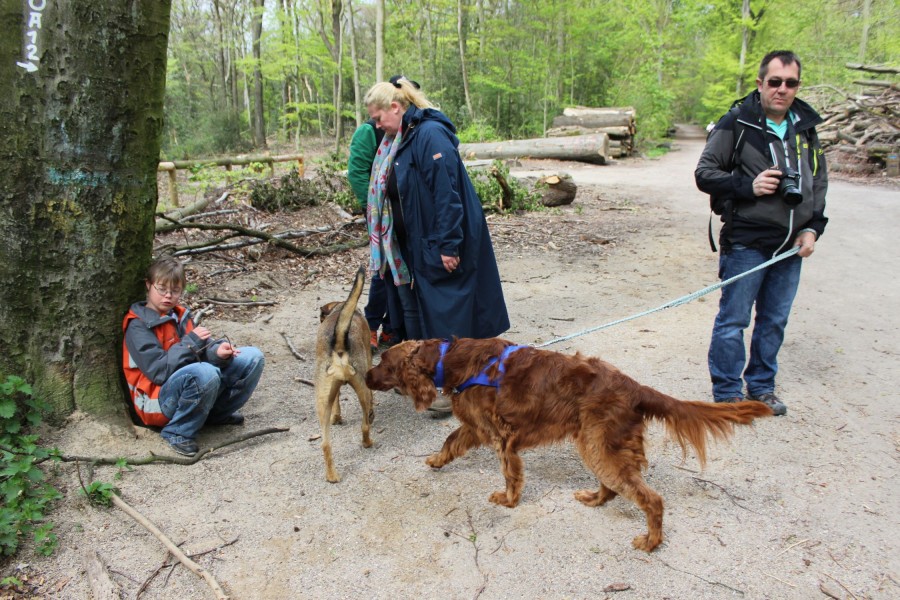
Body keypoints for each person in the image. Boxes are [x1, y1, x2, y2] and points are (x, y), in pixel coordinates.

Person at [695, 50, 828, 416]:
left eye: (791, 83)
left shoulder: (805, 127)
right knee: (734, 320)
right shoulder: (737, 122)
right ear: (760, 83)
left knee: (774, 320)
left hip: (790, 245)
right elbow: (704, 174)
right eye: (775, 82)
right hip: (747, 241)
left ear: (798, 86)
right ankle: (727, 393)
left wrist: (813, 229)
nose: (782, 89)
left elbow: (818, 182)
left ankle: (762, 388)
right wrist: (748, 186)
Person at [363, 77, 510, 343]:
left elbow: (447, 194)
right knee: (421, 308)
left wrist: (448, 245)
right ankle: (424, 361)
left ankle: (456, 361)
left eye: (378, 118)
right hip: (415, 242)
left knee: (449, 311)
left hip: (439, 240)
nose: (376, 125)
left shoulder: (430, 135)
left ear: (395, 107)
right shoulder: (400, 139)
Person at [122, 256, 265, 455]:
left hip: (186, 384)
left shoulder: (179, 315)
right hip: (154, 401)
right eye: (162, 289)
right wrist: (191, 342)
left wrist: (218, 352)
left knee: (252, 357)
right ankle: (177, 432)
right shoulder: (137, 325)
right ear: (148, 285)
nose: (168, 296)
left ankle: (216, 415)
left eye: (175, 291)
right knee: (205, 372)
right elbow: (159, 372)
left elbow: (202, 351)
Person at [347, 75, 415, 353]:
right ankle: (371, 326)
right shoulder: (369, 131)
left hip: (402, 215)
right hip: (380, 215)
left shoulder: (411, 128)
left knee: (401, 272)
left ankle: (392, 327)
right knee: (382, 272)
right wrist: (373, 209)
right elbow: (356, 173)